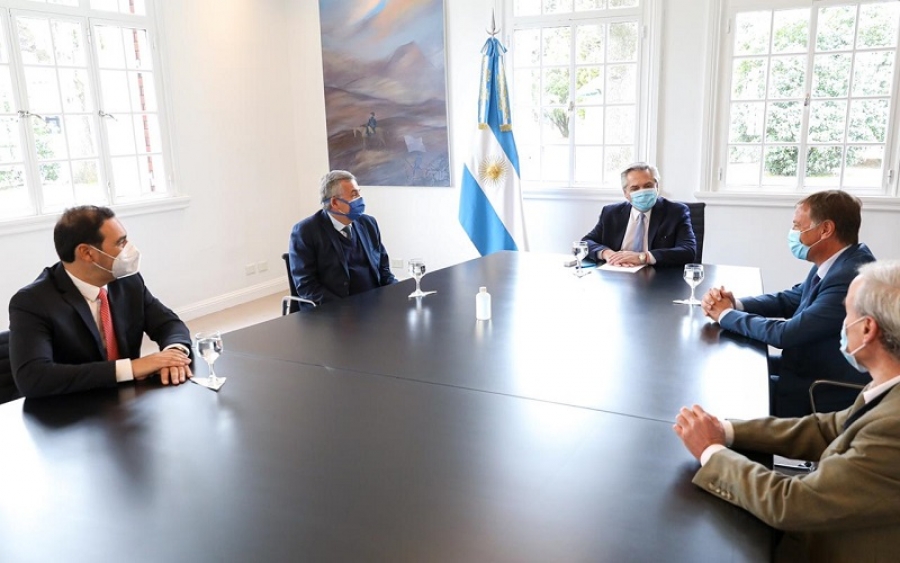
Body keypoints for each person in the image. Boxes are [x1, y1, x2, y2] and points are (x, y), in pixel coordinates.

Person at [674, 260, 900, 562]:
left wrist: (711, 452)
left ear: (868, 328)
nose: (842, 324)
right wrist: (726, 431)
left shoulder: (892, 427)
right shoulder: (887, 385)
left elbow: (793, 503)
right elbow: (827, 429)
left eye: (847, 314)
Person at [702, 190, 875, 417]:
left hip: (820, 389)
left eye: (797, 226)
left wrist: (726, 315)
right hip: (804, 367)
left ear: (825, 229)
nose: (793, 233)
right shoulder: (840, 261)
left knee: (727, 394)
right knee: (731, 370)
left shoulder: (848, 276)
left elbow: (786, 334)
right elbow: (791, 299)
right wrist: (736, 304)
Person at [9, 206, 192, 399]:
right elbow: (33, 377)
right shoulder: (32, 302)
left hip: (129, 401)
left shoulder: (128, 280)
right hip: (76, 406)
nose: (129, 248)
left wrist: (174, 354)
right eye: (121, 242)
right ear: (87, 253)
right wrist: (131, 368)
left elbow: (168, 323)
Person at [288, 170, 397, 310]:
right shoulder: (306, 231)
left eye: (359, 193)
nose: (360, 199)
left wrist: (396, 289)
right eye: (354, 195)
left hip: (372, 302)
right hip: (335, 309)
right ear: (335, 202)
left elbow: (383, 267)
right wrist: (345, 307)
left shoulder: (368, 223)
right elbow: (307, 286)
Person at [581, 162, 697, 267]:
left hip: (657, 277)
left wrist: (643, 257)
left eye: (648, 186)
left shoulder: (676, 212)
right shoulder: (611, 213)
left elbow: (688, 251)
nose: (642, 192)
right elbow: (585, 243)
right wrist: (607, 253)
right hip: (617, 273)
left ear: (657, 187)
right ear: (626, 193)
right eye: (635, 188)